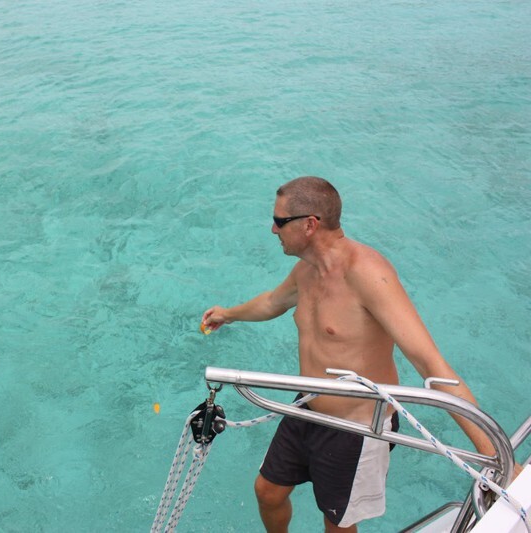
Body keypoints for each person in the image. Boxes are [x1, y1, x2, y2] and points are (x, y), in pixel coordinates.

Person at [201, 176, 498, 532]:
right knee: (268, 492)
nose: (272, 229)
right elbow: (272, 302)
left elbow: (430, 364)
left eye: (279, 221)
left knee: (337, 524)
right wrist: (227, 314)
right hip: (307, 408)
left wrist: (497, 458)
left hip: (356, 429)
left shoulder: (368, 273)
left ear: (309, 224)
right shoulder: (307, 270)